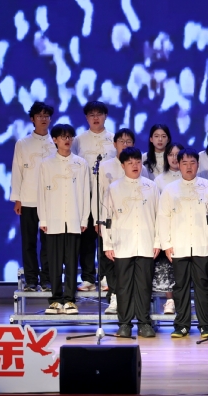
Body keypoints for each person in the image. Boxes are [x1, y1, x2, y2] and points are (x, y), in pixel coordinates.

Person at [157, 148, 208, 338]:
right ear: (178, 165)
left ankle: (205, 326)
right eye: (184, 163)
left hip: (202, 244)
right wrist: (166, 244)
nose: (189, 167)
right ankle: (182, 325)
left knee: (203, 286)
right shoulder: (170, 189)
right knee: (180, 286)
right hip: (179, 245)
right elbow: (163, 218)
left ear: (198, 165)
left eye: (192, 163)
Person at [102, 147, 159, 338]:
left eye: (138, 162)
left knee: (144, 285)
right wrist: (107, 244)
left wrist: (158, 242)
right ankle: (125, 324)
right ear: (122, 165)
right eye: (130, 162)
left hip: (146, 243)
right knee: (123, 286)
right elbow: (106, 218)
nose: (135, 166)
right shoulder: (114, 188)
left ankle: (144, 323)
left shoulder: (151, 187)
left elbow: (159, 217)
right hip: (122, 244)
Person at [38, 124, 90, 315]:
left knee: (71, 261)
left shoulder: (81, 163)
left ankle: (69, 299)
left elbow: (85, 192)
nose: (67, 140)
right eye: (62, 137)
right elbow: (41, 193)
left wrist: (84, 219)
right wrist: (43, 219)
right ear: (55, 140)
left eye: (69, 136)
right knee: (54, 261)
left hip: (74, 219)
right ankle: (55, 300)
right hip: (53, 219)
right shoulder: (46, 164)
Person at [10, 102, 56, 292]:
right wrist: (17, 198)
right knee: (28, 242)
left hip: (51, 201)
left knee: (49, 243)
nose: (43, 119)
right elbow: (17, 171)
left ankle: (47, 280)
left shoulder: (56, 142)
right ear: (32, 119)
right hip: (28, 199)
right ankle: (31, 280)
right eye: (39, 116)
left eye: (46, 116)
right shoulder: (22, 143)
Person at [72, 101, 116, 293]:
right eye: (92, 114)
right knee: (87, 237)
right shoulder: (78, 140)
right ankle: (88, 278)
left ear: (105, 116)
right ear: (86, 117)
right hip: (86, 192)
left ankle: (106, 277)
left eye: (99, 114)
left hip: (108, 194)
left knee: (106, 236)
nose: (95, 118)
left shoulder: (114, 139)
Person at [92, 128, 136, 315]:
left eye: (128, 141)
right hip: (109, 221)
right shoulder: (105, 166)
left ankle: (130, 299)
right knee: (109, 261)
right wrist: (98, 219)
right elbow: (98, 194)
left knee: (129, 262)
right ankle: (114, 297)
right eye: (121, 141)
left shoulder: (139, 164)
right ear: (114, 144)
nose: (125, 145)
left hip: (131, 222)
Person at [152, 142, 184, 314]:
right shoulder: (159, 180)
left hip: (186, 228)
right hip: (168, 228)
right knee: (167, 266)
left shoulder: (190, 177)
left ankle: (184, 300)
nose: (174, 158)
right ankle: (170, 300)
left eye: (177, 154)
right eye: (170, 154)